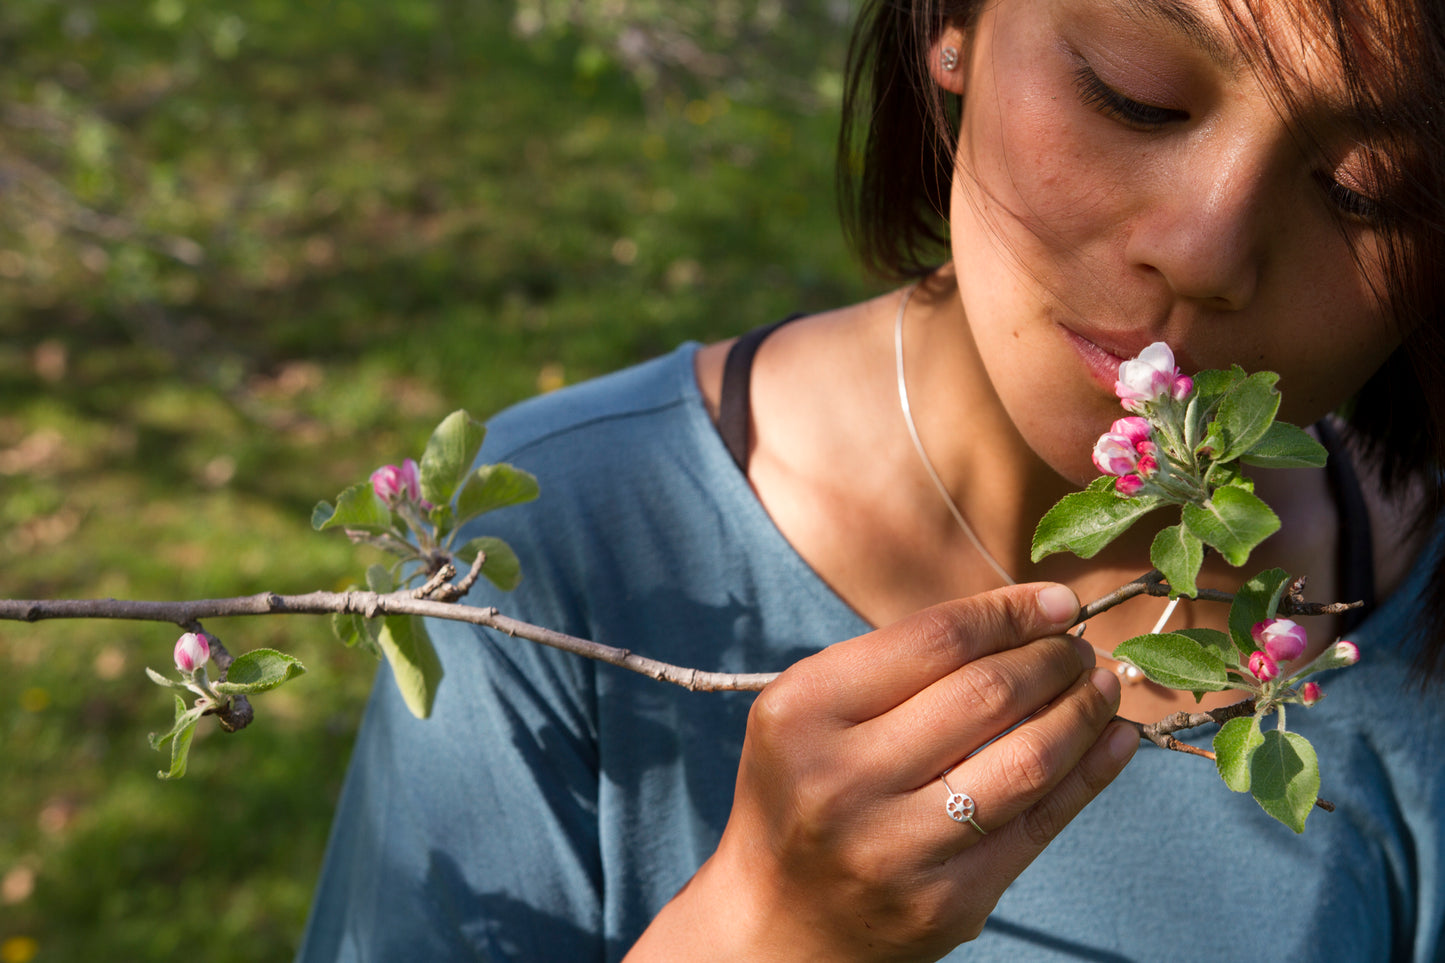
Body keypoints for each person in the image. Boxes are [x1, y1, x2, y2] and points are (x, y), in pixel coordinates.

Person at [298, 0, 1445, 959]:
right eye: (1132, 93)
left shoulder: (1410, 619)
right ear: (954, 23)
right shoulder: (554, 547)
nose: (1203, 249)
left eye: (1363, 188)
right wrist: (765, 929)